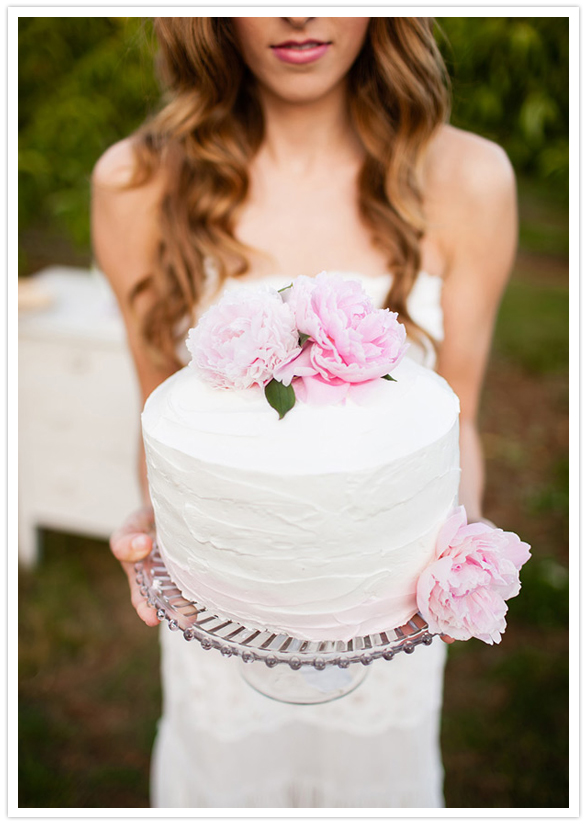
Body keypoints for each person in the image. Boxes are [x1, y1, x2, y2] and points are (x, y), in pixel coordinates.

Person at [91, 17, 517, 808]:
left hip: (387, 602)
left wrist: (463, 551)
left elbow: (454, 417)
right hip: (225, 613)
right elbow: (160, 414)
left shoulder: (469, 178)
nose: (297, 11)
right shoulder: (134, 182)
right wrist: (154, 519)